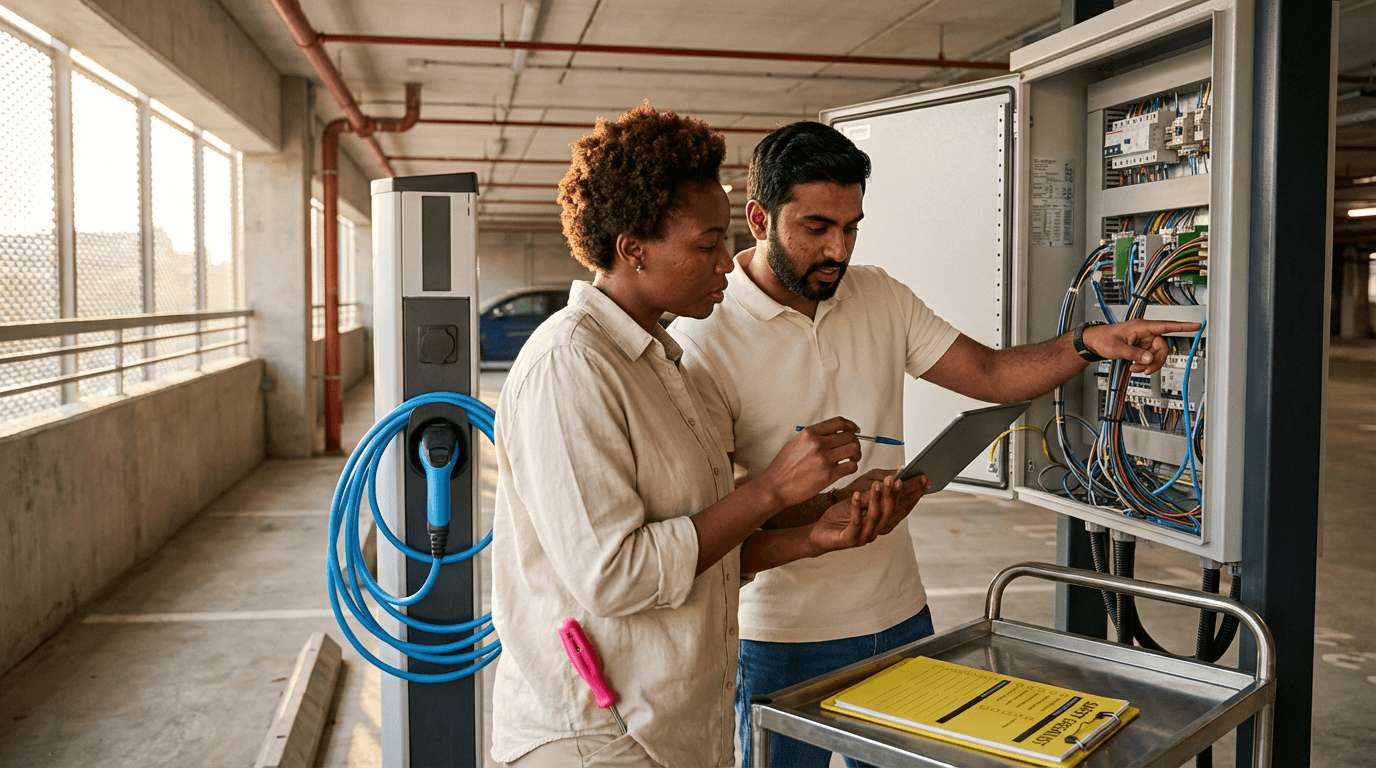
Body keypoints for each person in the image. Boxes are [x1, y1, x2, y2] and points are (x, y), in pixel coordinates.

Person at [670, 121, 1199, 768]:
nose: (839, 248)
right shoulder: (701, 344)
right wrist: (817, 516)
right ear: (758, 217)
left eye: (852, 226)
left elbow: (992, 375)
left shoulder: (879, 294)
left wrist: (1090, 342)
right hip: (778, 639)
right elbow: (715, 532)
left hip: (898, 618)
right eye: (816, 228)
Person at [489, 106, 914, 768]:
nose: (726, 261)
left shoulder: (667, 364)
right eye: (705, 244)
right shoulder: (568, 367)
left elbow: (703, 548)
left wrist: (815, 523)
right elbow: (618, 575)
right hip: (601, 737)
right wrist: (772, 487)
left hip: (676, 725)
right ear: (633, 249)